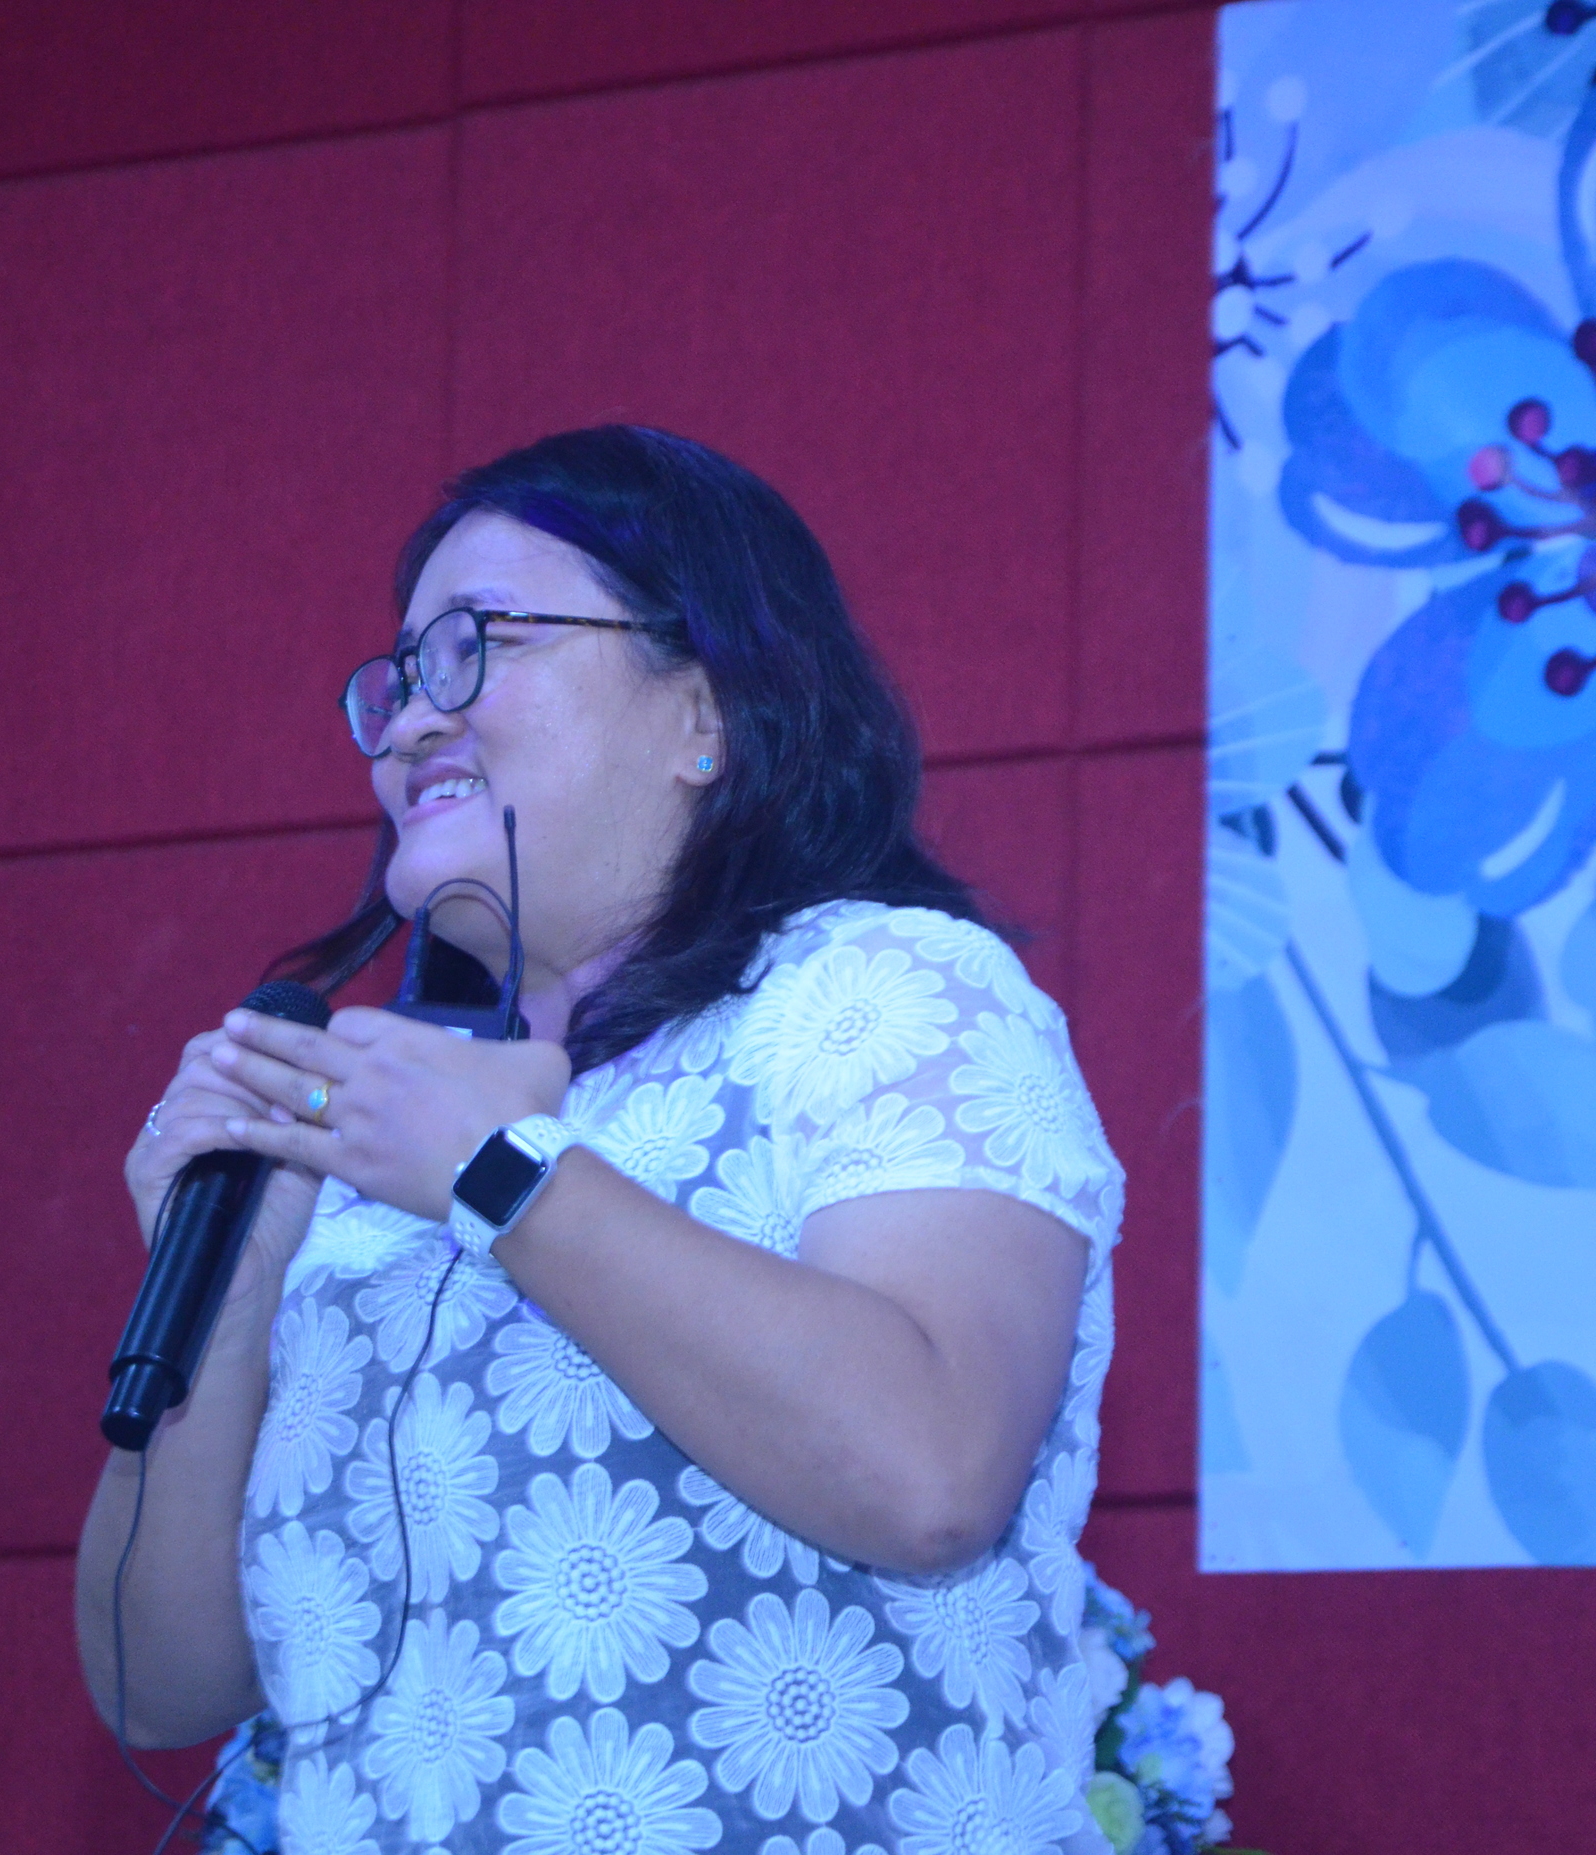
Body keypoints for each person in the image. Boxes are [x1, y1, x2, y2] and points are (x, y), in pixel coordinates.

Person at [75, 426, 1126, 1855]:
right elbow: (156, 1685)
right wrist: (235, 1290)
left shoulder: (884, 990)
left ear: (706, 711)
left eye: (480, 649)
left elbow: (930, 1474)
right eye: (403, 677)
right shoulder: (369, 1145)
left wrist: (501, 1174)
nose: (411, 724)